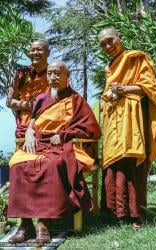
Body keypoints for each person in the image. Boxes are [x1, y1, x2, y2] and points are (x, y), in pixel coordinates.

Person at [7, 60, 101, 245]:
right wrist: (29, 133)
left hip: (62, 146)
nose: (52, 77)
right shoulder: (42, 98)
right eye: (50, 73)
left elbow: (92, 128)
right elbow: (32, 123)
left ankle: (43, 223)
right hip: (38, 143)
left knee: (51, 165)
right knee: (18, 164)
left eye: (58, 73)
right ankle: (26, 225)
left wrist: (65, 134)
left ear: (67, 76)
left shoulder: (76, 100)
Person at [98, 27, 156, 229]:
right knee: (113, 165)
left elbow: (150, 87)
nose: (108, 46)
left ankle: (135, 214)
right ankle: (116, 213)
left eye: (110, 41)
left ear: (120, 38)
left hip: (133, 118)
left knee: (131, 162)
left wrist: (124, 89)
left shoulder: (136, 58)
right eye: (103, 44)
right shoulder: (109, 66)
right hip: (113, 120)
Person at [6, 39, 50, 144]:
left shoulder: (55, 73)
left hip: (48, 124)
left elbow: (63, 101)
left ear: (48, 52)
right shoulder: (22, 75)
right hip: (24, 127)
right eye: (32, 50)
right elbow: (9, 102)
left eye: (39, 50)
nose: (35, 53)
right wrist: (27, 105)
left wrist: (40, 106)